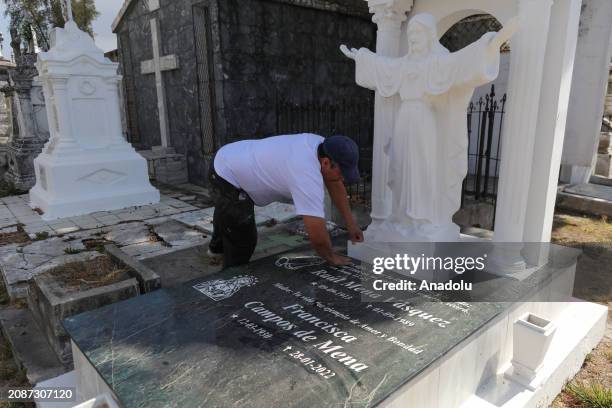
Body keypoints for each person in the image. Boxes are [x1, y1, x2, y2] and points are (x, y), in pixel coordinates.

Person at [208, 133, 364, 268]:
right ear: (325, 163)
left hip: (233, 154)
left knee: (227, 211)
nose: (342, 178)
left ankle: (216, 248)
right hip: (228, 173)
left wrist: (351, 224)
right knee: (243, 240)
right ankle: (230, 283)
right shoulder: (305, 174)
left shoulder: (323, 146)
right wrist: (331, 257)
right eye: (341, 173)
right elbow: (317, 235)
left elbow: (335, 183)